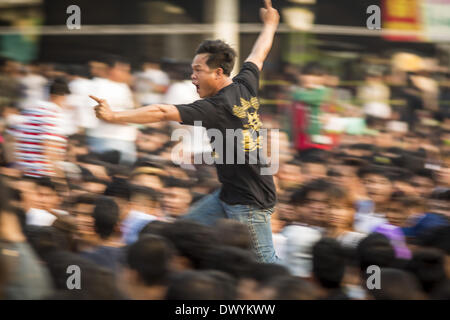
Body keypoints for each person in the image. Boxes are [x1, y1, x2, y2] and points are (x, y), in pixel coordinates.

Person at [90, 0, 280, 263]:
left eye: (197, 70)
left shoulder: (217, 106)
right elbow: (258, 54)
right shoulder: (244, 83)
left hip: (249, 202)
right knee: (179, 236)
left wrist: (113, 117)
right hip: (227, 194)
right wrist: (270, 24)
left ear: (218, 72)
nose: (192, 76)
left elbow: (161, 111)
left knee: (266, 264)